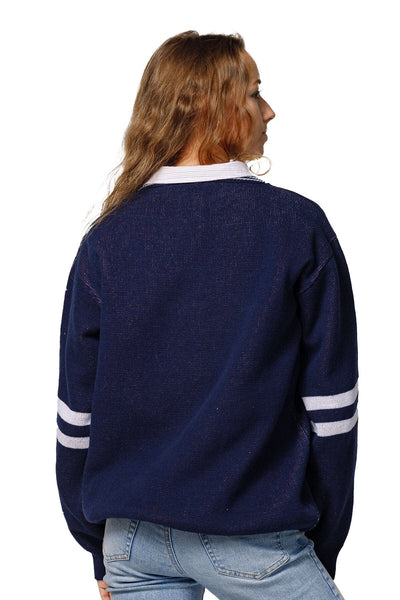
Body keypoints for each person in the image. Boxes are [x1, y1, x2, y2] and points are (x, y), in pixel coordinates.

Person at [55, 31, 359, 600]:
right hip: (254, 538)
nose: (270, 110)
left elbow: (76, 417)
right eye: (255, 93)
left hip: (131, 543)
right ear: (212, 106)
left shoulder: (106, 240)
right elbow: (333, 412)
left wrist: (98, 546)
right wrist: (325, 543)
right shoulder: (296, 227)